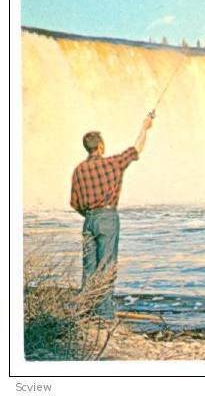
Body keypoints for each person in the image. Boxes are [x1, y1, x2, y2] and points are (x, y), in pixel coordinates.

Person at [70, 113, 154, 319]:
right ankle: (105, 315)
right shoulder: (112, 164)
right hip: (107, 218)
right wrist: (145, 127)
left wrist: (90, 214)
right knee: (106, 267)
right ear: (100, 147)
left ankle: (86, 312)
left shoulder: (78, 170)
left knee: (89, 268)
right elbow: (137, 149)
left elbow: (74, 203)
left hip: (88, 220)